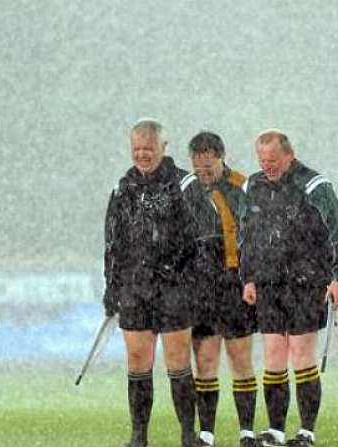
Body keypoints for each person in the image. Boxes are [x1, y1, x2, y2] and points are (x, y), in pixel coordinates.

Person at [239, 129, 338, 447]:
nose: (267, 166)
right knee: (274, 353)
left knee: (301, 353)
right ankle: (275, 430)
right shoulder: (252, 186)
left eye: (273, 160)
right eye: (262, 160)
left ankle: (306, 432)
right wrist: (248, 276)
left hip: (307, 281)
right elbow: (245, 233)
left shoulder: (315, 186)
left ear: (289, 154)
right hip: (268, 282)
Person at [103, 118, 211, 447]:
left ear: (163, 148)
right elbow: (112, 243)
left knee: (178, 360)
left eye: (148, 149)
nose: (142, 155)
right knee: (137, 359)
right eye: (136, 149)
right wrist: (112, 286)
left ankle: (188, 434)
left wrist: (184, 272)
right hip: (135, 288)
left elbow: (204, 236)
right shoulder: (123, 189)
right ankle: (139, 436)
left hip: (174, 287)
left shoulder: (184, 184)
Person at [187, 131, 258, 447]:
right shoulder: (186, 191)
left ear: (221, 157)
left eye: (208, 168)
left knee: (240, 358)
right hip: (200, 287)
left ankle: (246, 431)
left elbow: (257, 235)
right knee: (204, 362)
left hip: (233, 283)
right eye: (197, 168)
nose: (203, 174)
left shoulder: (243, 188)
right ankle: (206, 434)